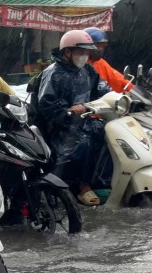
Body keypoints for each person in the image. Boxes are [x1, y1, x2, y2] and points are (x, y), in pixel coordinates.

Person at [34, 30, 106, 206]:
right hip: (58, 125)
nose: (85, 56)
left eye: (87, 53)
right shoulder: (53, 73)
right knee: (83, 143)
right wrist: (67, 111)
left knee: (105, 133)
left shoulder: (87, 70)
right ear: (67, 52)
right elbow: (46, 104)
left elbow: (101, 90)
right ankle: (79, 187)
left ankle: (101, 181)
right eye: (81, 52)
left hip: (83, 120)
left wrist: (119, 99)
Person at [83, 27, 134, 93]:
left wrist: (134, 90)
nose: (101, 50)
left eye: (103, 46)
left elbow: (116, 78)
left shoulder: (100, 62)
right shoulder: (79, 63)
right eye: (98, 46)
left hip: (102, 100)